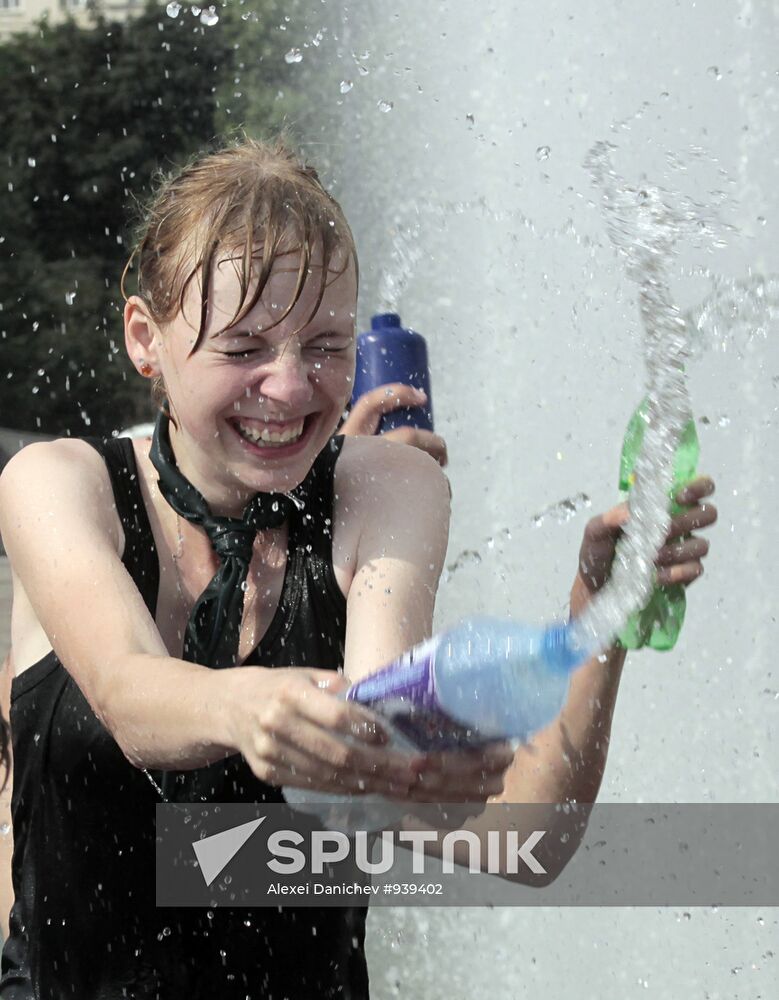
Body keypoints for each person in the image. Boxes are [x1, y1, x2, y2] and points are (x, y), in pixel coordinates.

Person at [0, 136, 716, 998]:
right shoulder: (58, 485)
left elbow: (521, 833)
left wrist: (597, 615)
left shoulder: (386, 490)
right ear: (145, 339)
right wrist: (259, 707)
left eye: (327, 345)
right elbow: (126, 693)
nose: (293, 386)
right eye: (243, 350)